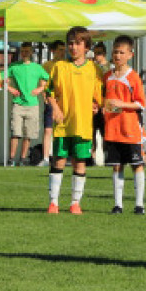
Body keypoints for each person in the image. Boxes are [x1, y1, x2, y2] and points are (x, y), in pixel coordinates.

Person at [46, 27, 103, 215]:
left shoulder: (94, 69)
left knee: (80, 162)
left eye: (78, 43)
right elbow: (49, 92)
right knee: (59, 161)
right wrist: (54, 108)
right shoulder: (59, 67)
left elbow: (99, 96)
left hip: (83, 124)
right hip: (63, 125)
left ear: (87, 46)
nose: (73, 47)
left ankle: (75, 202)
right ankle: (53, 202)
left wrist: (96, 105)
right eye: (70, 43)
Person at [103, 35, 146, 215]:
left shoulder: (133, 77)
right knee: (116, 165)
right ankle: (118, 205)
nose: (118, 56)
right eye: (115, 52)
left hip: (130, 129)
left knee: (137, 165)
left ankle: (139, 205)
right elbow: (104, 100)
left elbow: (141, 103)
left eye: (122, 52)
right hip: (112, 129)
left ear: (130, 54)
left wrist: (122, 104)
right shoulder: (107, 76)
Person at [6, 42, 49, 167]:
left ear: (31, 52)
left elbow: (48, 79)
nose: (24, 53)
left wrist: (40, 89)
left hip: (33, 104)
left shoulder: (37, 67)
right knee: (15, 133)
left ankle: (23, 158)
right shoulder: (14, 66)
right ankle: (11, 159)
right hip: (18, 104)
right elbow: (2, 78)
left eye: (27, 51)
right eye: (23, 51)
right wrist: (10, 88)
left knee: (28, 134)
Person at [39, 40, 66, 167]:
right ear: (53, 51)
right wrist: (45, 95)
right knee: (48, 129)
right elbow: (43, 82)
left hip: (64, 102)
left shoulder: (67, 65)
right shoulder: (47, 65)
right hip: (51, 100)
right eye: (60, 49)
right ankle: (45, 158)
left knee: (62, 129)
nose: (63, 52)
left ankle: (61, 156)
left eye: (63, 49)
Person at [91, 42, 111, 165]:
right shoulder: (92, 67)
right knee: (92, 132)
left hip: (105, 105)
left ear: (104, 54)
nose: (97, 56)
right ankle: (92, 157)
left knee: (105, 134)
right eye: (95, 53)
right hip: (93, 105)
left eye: (99, 53)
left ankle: (106, 156)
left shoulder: (110, 68)